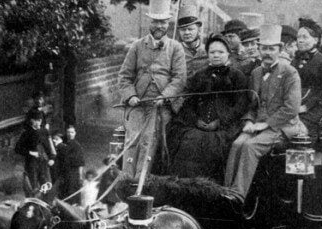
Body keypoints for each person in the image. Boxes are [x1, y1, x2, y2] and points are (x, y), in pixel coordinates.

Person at [225, 24, 306, 198]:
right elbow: (252, 104)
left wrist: (265, 124)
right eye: (264, 48)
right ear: (259, 49)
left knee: (250, 146)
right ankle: (226, 192)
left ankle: (238, 195)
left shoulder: (290, 73)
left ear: (280, 49)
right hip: (258, 125)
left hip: (282, 127)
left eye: (272, 49)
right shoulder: (256, 73)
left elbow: (291, 108)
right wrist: (248, 120)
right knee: (237, 144)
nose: (267, 53)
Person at [117, 0, 186, 179]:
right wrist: (130, 95)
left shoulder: (176, 48)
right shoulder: (137, 46)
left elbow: (179, 79)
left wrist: (165, 96)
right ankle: (126, 181)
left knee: (149, 140)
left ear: (168, 23)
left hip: (161, 106)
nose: (159, 26)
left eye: (163, 22)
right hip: (138, 104)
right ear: (150, 22)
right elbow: (124, 76)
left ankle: (140, 184)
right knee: (132, 139)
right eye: (155, 21)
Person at [169, 34, 249, 183]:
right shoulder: (200, 75)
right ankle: (184, 186)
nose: (216, 55)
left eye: (220, 52)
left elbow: (241, 105)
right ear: (208, 54)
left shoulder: (237, 76)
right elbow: (189, 102)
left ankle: (210, 189)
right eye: (212, 52)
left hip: (224, 126)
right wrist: (196, 120)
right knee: (188, 141)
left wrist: (220, 122)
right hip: (198, 124)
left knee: (214, 145)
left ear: (228, 54)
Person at [291, 19, 322, 139]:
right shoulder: (295, 60)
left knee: (299, 130)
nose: (300, 40)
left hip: (315, 108)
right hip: (295, 103)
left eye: (305, 37)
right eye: (298, 37)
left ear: (315, 40)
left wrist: (306, 107)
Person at [15, 109, 54, 196]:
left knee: (47, 185)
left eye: (40, 120)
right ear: (31, 121)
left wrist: (51, 158)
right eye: (36, 120)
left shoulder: (44, 131)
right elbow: (17, 149)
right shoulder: (26, 134)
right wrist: (30, 153)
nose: (39, 122)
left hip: (44, 163)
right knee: (33, 187)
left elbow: (49, 147)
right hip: (32, 164)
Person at [54, 125, 86, 203]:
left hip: (73, 174)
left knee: (71, 194)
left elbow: (80, 162)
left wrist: (81, 176)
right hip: (64, 173)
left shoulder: (76, 146)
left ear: (75, 133)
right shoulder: (65, 144)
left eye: (72, 132)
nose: (70, 134)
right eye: (68, 132)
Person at [176, 4, 208, 80]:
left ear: (198, 30)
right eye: (183, 29)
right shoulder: (174, 52)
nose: (187, 33)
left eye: (190, 29)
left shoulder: (207, 51)